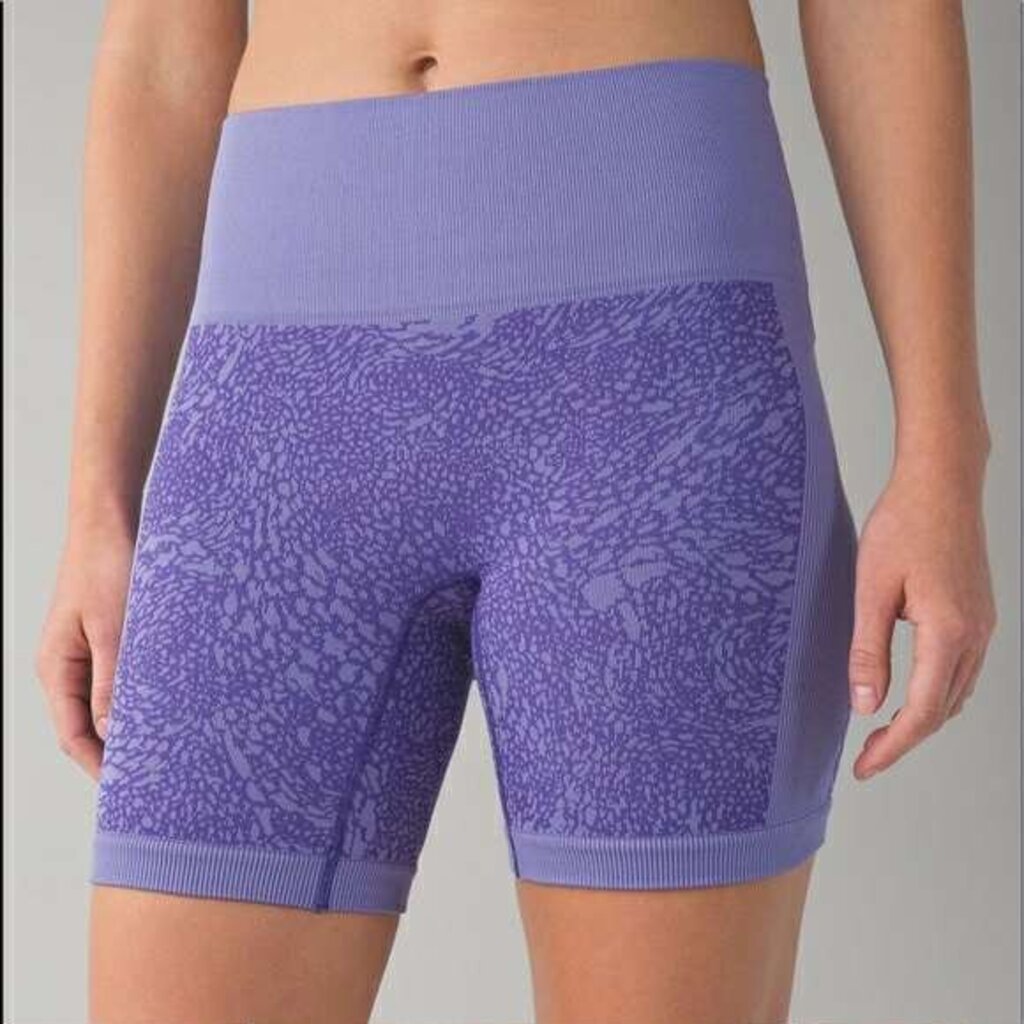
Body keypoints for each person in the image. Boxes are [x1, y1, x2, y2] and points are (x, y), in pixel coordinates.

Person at [35, 2, 996, 1022]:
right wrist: (99, 500)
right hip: (268, 414)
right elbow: (161, 44)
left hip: (652, 385)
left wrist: (943, 452)